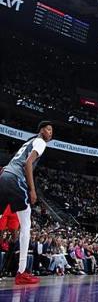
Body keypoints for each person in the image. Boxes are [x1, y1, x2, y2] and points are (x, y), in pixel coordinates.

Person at [0, 121, 53, 284]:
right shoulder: (40, 142)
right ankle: (21, 272)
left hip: (4, 176)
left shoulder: (28, 142)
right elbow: (28, 163)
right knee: (26, 224)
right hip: (16, 178)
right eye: (48, 129)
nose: (50, 133)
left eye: (51, 130)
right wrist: (32, 189)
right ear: (41, 131)